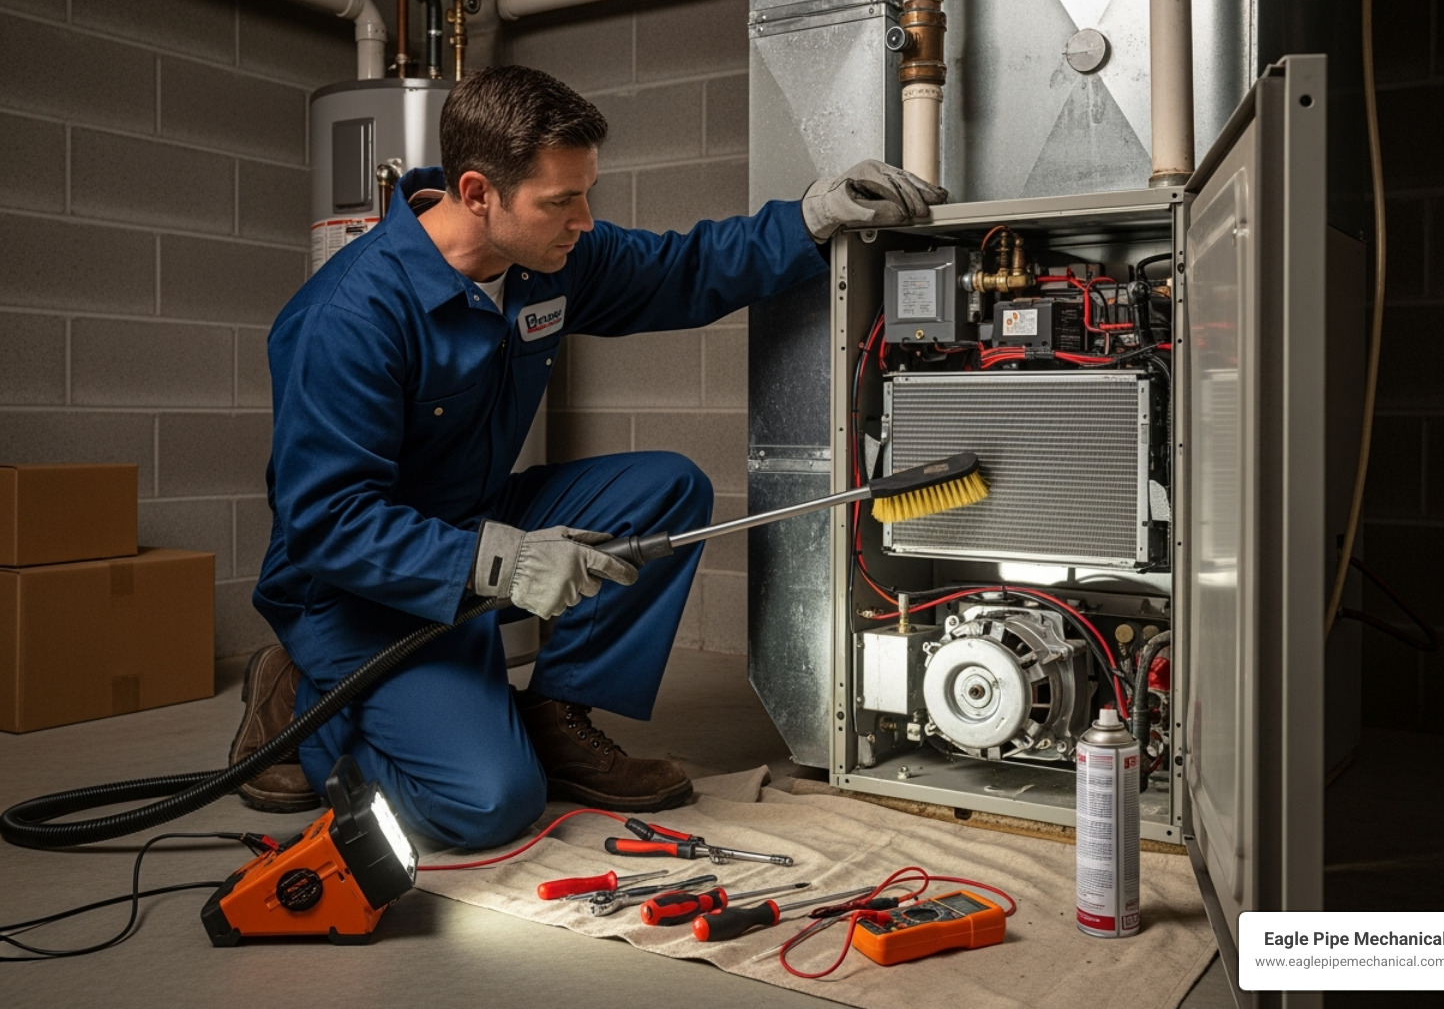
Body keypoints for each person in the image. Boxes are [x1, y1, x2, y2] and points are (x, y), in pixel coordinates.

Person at [230, 65, 945, 851]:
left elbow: (682, 268)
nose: (584, 219)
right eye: (560, 201)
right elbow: (326, 523)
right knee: (488, 805)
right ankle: (306, 701)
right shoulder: (350, 317)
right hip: (351, 590)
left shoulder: (547, 260)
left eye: (586, 192)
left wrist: (809, 219)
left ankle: (555, 714)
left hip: (470, 527)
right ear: (477, 193)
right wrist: (497, 563)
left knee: (663, 490)